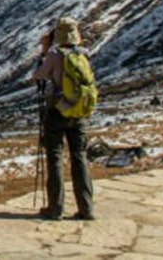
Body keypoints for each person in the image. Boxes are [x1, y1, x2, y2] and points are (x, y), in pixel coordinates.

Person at [32, 16, 95, 221]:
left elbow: (40, 76)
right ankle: (86, 208)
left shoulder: (54, 54)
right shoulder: (84, 53)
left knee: (55, 157)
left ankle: (56, 208)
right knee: (80, 157)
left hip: (58, 111)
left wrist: (44, 52)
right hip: (79, 113)